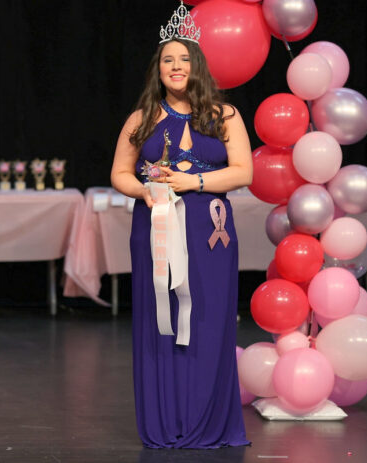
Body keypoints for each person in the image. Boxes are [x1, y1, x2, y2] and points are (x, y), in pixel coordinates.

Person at [110, 1, 252, 449]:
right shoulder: (141, 118)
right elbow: (119, 174)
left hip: (210, 236)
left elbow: (244, 172)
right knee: (162, 320)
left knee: (208, 320)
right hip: (155, 230)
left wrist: (195, 181)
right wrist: (146, 190)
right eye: (168, 60)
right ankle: (166, 420)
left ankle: (207, 421)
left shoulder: (225, 116)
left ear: (198, 67)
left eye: (184, 59)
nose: (176, 66)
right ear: (159, 69)